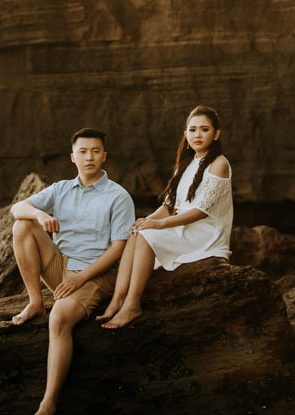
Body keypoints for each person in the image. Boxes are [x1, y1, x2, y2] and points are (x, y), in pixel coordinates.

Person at [9, 126, 134, 415]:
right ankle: (36, 301)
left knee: (60, 319)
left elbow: (119, 249)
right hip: (61, 266)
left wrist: (81, 280)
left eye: (95, 151)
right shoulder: (62, 189)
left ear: (104, 155)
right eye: (83, 151)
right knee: (21, 226)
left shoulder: (118, 196)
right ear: (72, 157)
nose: (89, 157)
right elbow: (16, 208)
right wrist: (40, 215)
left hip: (95, 273)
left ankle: (48, 403)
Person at [98, 105, 232, 330]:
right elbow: (169, 205)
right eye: (192, 130)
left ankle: (132, 305)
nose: (197, 135)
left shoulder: (219, 164)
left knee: (148, 235)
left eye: (204, 129)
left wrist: (158, 225)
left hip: (206, 232)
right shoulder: (186, 164)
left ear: (216, 134)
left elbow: (199, 212)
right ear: (185, 134)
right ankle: (118, 299)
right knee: (137, 230)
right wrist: (146, 220)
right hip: (184, 228)